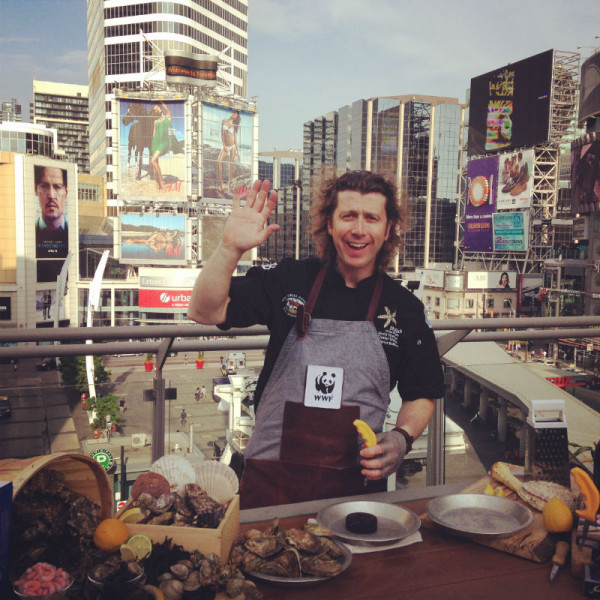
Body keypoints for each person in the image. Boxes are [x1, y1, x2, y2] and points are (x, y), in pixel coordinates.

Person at [189, 172, 445, 509]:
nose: (358, 229)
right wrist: (229, 247)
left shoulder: (405, 309)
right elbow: (205, 311)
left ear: (387, 230)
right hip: (270, 484)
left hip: (356, 490)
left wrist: (401, 438)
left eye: (371, 218)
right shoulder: (290, 280)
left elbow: (422, 391)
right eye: (348, 216)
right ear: (329, 224)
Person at [35, 166, 68, 258]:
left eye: (57, 187)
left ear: (66, 192)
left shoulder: (72, 234)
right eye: (45, 186)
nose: (51, 195)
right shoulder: (29, 232)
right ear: (36, 190)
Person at [150, 101, 173, 191]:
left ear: (160, 108)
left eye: (158, 107)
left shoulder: (168, 116)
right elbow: (154, 134)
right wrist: (152, 145)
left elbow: (166, 109)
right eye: (155, 109)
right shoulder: (155, 122)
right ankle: (158, 182)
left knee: (153, 160)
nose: (157, 109)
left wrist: (161, 101)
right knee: (155, 162)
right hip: (156, 143)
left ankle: (162, 181)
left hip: (164, 142)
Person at [217, 110, 241, 195]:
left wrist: (238, 152)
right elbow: (222, 134)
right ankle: (221, 184)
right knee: (219, 162)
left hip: (233, 146)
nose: (234, 115)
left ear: (237, 117)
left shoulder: (234, 125)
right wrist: (224, 145)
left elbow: (235, 139)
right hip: (226, 146)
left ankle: (229, 185)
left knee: (231, 165)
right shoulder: (224, 121)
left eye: (236, 114)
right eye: (233, 113)